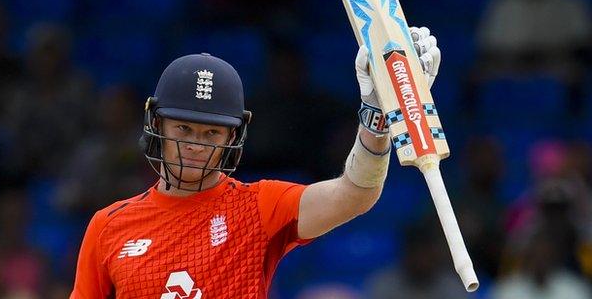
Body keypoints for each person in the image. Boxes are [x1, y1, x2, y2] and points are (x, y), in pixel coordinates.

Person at [70, 27, 441, 298]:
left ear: (232, 137)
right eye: (183, 128)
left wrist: (375, 120)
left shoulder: (258, 208)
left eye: (211, 134)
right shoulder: (109, 227)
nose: (195, 145)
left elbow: (356, 194)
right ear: (157, 123)